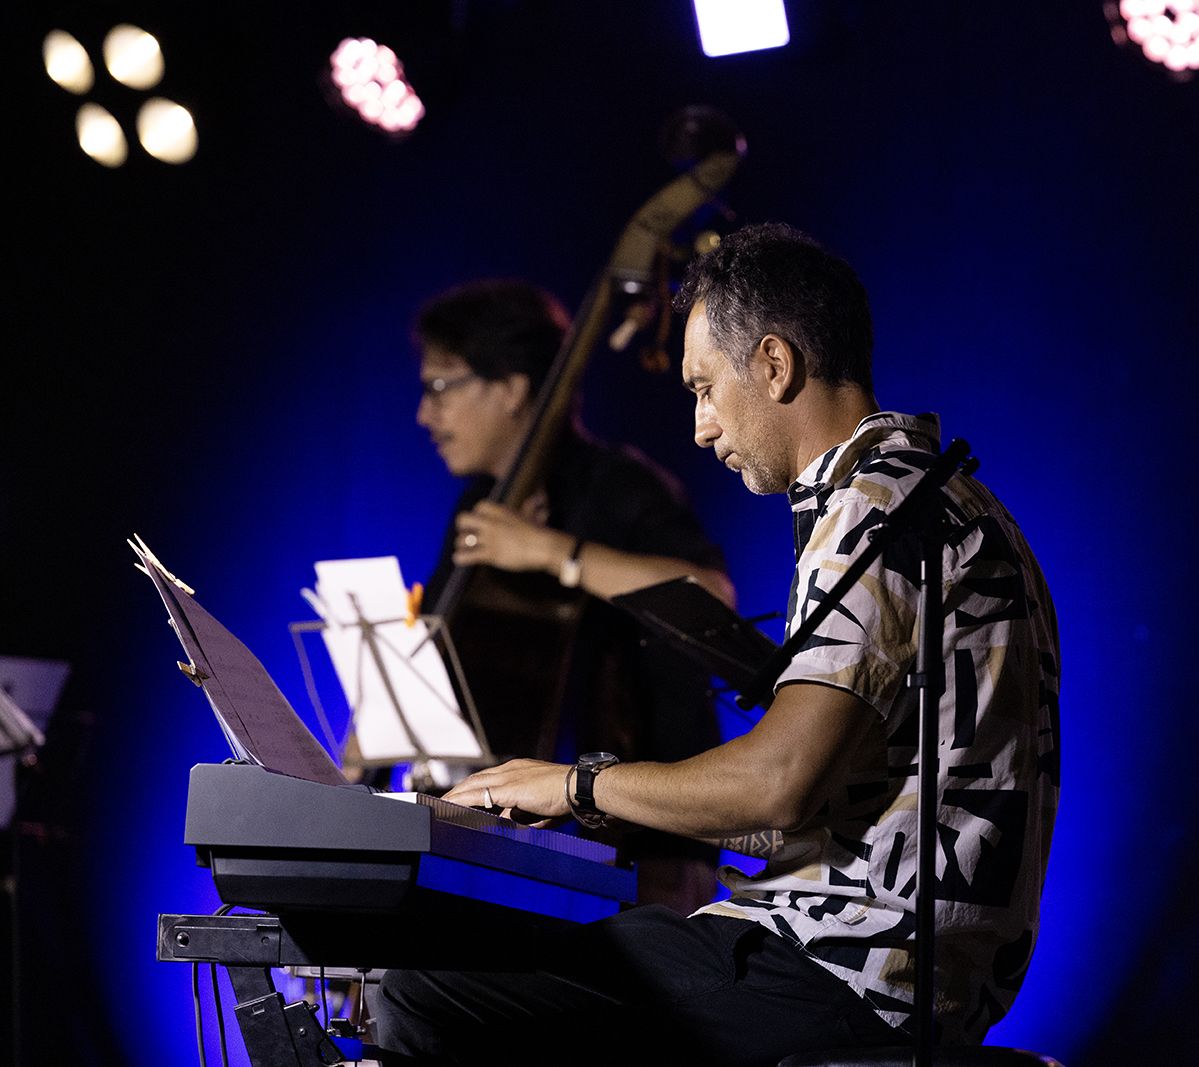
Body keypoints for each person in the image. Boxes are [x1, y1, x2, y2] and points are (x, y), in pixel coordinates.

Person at [373, 225, 1061, 1065]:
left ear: (774, 364)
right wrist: (609, 808)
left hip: (842, 967)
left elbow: (776, 784)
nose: (700, 428)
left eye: (705, 389)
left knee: (425, 985)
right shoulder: (960, 502)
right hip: (912, 966)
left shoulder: (872, 510)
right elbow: (844, 810)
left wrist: (577, 784)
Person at [404, 277, 733, 914]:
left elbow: (710, 598)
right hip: (528, 844)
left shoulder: (618, 486)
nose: (426, 414)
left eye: (440, 387)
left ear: (511, 389)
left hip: (649, 846)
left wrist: (556, 554)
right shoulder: (477, 506)